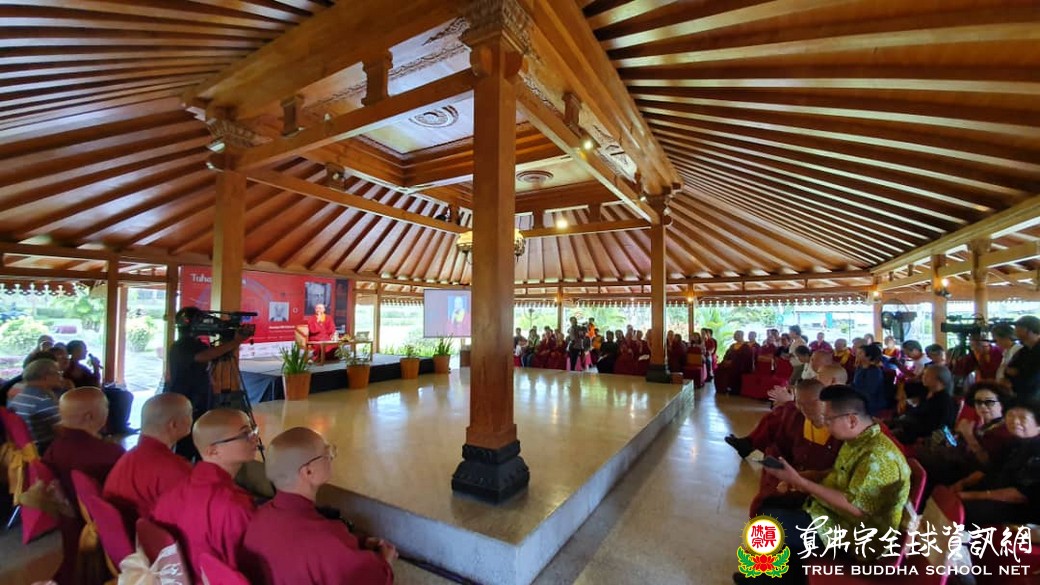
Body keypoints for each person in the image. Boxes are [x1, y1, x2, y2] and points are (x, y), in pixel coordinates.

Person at [737, 385, 910, 584]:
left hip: (855, 534)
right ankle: (772, 576)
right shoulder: (858, 440)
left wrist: (801, 482)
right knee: (770, 505)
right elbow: (839, 474)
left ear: (852, 420)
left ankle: (765, 578)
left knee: (770, 524)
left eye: (829, 420)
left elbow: (856, 507)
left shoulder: (877, 457)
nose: (825, 426)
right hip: (835, 515)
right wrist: (808, 476)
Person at [241, 427, 396, 585]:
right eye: (327, 454)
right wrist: (385, 562)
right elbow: (371, 577)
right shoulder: (326, 539)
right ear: (308, 472)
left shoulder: (258, 518)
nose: (332, 457)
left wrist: (358, 542)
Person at [151, 408, 259, 581]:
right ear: (213, 450)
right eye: (245, 434)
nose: (255, 438)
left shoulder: (172, 493)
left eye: (253, 430)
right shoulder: (235, 505)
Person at [43, 387, 126, 585]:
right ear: (90, 416)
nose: (108, 411)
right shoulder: (107, 453)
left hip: (70, 521)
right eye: (106, 406)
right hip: (98, 528)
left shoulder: (55, 446)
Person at [165, 306, 252, 456]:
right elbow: (203, 356)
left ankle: (200, 461)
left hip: (200, 398)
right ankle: (185, 465)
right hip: (187, 400)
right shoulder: (181, 346)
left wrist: (233, 341)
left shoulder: (196, 344)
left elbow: (214, 355)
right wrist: (236, 341)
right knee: (186, 442)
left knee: (201, 436)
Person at [104, 393, 194, 524]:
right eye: (190, 414)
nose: (192, 419)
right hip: (147, 533)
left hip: (123, 529)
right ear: (173, 424)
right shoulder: (175, 469)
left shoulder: (131, 455)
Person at [953, 400, 1040, 525]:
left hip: (1018, 507)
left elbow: (1020, 494)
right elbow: (989, 469)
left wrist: (971, 495)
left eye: (1022, 418)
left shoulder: (1036, 450)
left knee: (965, 508)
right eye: (1011, 415)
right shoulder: (1013, 442)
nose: (1015, 421)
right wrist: (962, 483)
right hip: (994, 492)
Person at [65, 339, 135, 435]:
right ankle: (119, 426)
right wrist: (96, 368)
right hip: (87, 394)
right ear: (75, 351)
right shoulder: (73, 367)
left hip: (94, 391)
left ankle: (120, 424)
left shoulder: (79, 366)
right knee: (123, 396)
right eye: (84, 349)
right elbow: (94, 383)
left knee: (123, 394)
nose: (86, 351)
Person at [888, 364, 958, 445]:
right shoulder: (926, 389)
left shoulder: (944, 402)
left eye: (927, 375)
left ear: (939, 381)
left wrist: (905, 416)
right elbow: (905, 387)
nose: (923, 377)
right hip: (909, 425)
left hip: (921, 437)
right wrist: (902, 400)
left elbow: (932, 427)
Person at [7, 358, 63, 451]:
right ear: (46, 377)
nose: (61, 377)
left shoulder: (18, 395)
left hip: (21, 449)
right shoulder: (43, 400)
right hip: (40, 451)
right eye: (58, 373)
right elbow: (62, 432)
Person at [1006, 316, 1040, 400]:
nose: (1015, 330)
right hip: (1021, 394)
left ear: (1029, 330)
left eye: (1018, 327)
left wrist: (1017, 373)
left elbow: (1032, 378)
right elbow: (1008, 370)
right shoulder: (1024, 350)